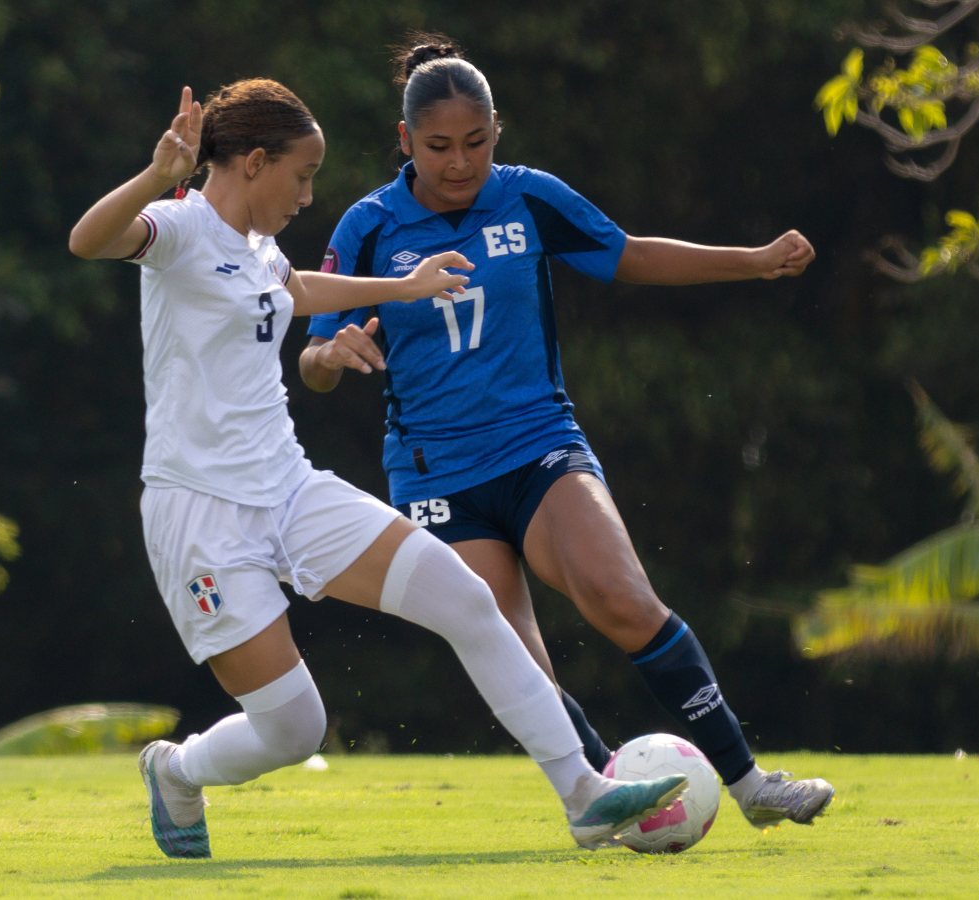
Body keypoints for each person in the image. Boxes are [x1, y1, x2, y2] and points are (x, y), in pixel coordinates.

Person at [68, 78, 688, 860]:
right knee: (295, 728)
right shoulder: (182, 228)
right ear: (254, 163)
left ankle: (585, 795)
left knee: (467, 600)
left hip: (291, 490)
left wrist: (405, 286)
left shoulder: (258, 249)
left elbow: (296, 292)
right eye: (301, 176)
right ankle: (178, 771)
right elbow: (88, 242)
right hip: (201, 516)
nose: (308, 195)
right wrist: (160, 173)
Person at [300, 34, 834, 830]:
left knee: (621, 599)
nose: (459, 163)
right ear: (406, 140)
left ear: (497, 133)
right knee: (517, 660)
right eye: (440, 147)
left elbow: (630, 255)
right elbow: (311, 350)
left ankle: (751, 784)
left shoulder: (528, 197)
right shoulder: (371, 224)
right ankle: (603, 799)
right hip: (436, 474)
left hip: (539, 445)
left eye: (476, 143)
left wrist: (752, 261)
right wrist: (330, 356)